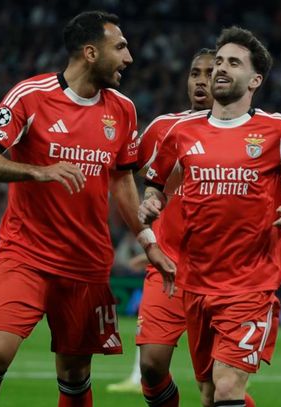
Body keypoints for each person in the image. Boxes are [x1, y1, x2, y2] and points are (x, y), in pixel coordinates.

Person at [0, 11, 174, 406]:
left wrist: (149, 242)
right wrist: (38, 171)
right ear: (90, 52)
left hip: (86, 262)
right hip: (26, 255)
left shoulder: (123, 109)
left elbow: (122, 182)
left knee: (75, 374)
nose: (128, 58)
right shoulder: (30, 95)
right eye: (120, 47)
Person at [139, 27, 281, 407]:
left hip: (250, 282)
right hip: (195, 281)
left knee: (227, 386)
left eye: (233, 63)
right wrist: (150, 202)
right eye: (219, 61)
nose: (220, 68)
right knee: (208, 393)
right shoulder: (181, 132)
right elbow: (155, 185)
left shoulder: (277, 130)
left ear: (255, 80)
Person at [107, 48, 216, 400]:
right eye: (195, 73)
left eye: (210, 73)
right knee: (152, 366)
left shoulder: (250, 133)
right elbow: (125, 172)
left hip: (219, 274)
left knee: (214, 386)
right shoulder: (162, 128)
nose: (201, 81)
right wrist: (149, 232)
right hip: (168, 266)